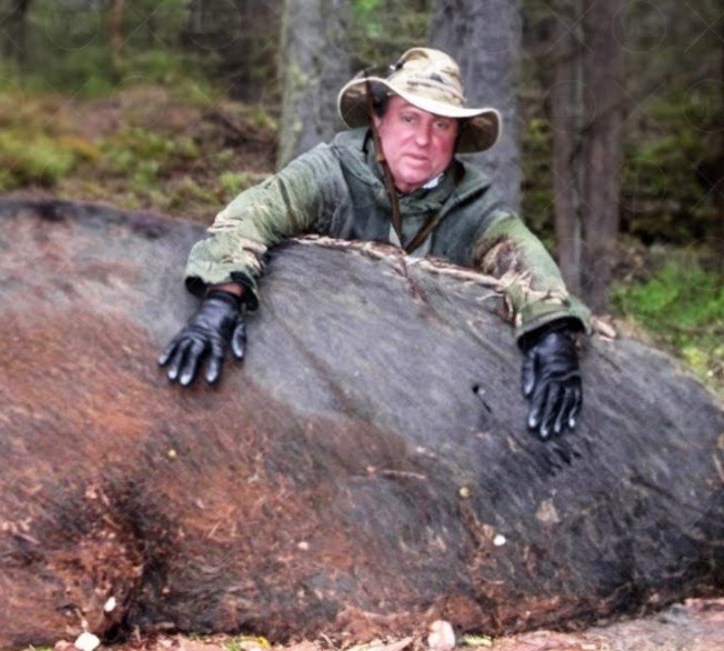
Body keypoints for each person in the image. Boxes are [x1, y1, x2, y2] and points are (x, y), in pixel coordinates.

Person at [158, 47, 588, 441]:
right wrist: (222, 298)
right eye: (409, 118)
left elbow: (522, 256)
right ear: (379, 118)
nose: (423, 139)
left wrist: (551, 332)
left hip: (416, 386)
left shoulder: (473, 203)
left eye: (441, 124)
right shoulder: (330, 173)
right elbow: (254, 214)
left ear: (456, 137)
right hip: (311, 361)